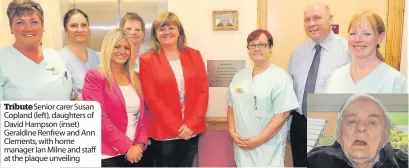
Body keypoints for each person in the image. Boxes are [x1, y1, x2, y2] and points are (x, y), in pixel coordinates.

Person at [139, 11, 209, 167]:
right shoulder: (147, 59)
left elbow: (202, 92)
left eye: (171, 27)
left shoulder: (194, 55)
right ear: (155, 34)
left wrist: (191, 124)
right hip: (163, 131)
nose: (167, 32)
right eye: (161, 29)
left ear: (179, 31)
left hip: (191, 130)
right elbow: (152, 98)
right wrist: (177, 126)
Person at [287, 3, 351, 166]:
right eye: (307, 19)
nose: (311, 23)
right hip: (300, 124)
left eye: (317, 18)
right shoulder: (297, 53)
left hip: (332, 125)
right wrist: (288, 127)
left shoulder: (348, 50)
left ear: (330, 20)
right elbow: (290, 94)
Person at [226, 29, 299, 167]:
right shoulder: (239, 76)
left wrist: (259, 140)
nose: (256, 48)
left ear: (270, 48)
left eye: (261, 45)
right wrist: (232, 132)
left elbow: (282, 115)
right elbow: (231, 106)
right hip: (242, 145)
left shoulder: (280, 77)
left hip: (269, 146)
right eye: (252, 45)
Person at [82, 28, 148, 167]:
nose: (122, 51)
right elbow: (99, 118)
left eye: (126, 48)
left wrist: (140, 144)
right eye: (117, 46)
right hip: (107, 155)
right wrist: (127, 147)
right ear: (108, 48)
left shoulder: (135, 77)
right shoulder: (95, 76)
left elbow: (142, 116)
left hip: (134, 153)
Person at [0, 0, 76, 100]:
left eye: (34, 22)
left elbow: (73, 96)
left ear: (43, 26)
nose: (28, 28)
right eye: (20, 22)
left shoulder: (55, 56)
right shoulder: (3, 60)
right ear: (11, 27)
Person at [307, 94, 408, 168]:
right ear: (339, 135)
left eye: (372, 122)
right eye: (352, 121)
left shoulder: (404, 163)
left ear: (385, 137)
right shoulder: (312, 162)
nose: (361, 128)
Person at [325, 11, 407, 93]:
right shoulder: (336, 77)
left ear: (380, 38)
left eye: (366, 34)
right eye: (353, 33)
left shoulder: (395, 81)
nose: (357, 39)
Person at [59, 8, 100, 97]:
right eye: (74, 26)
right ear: (66, 30)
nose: (80, 30)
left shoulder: (100, 58)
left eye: (84, 25)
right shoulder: (58, 59)